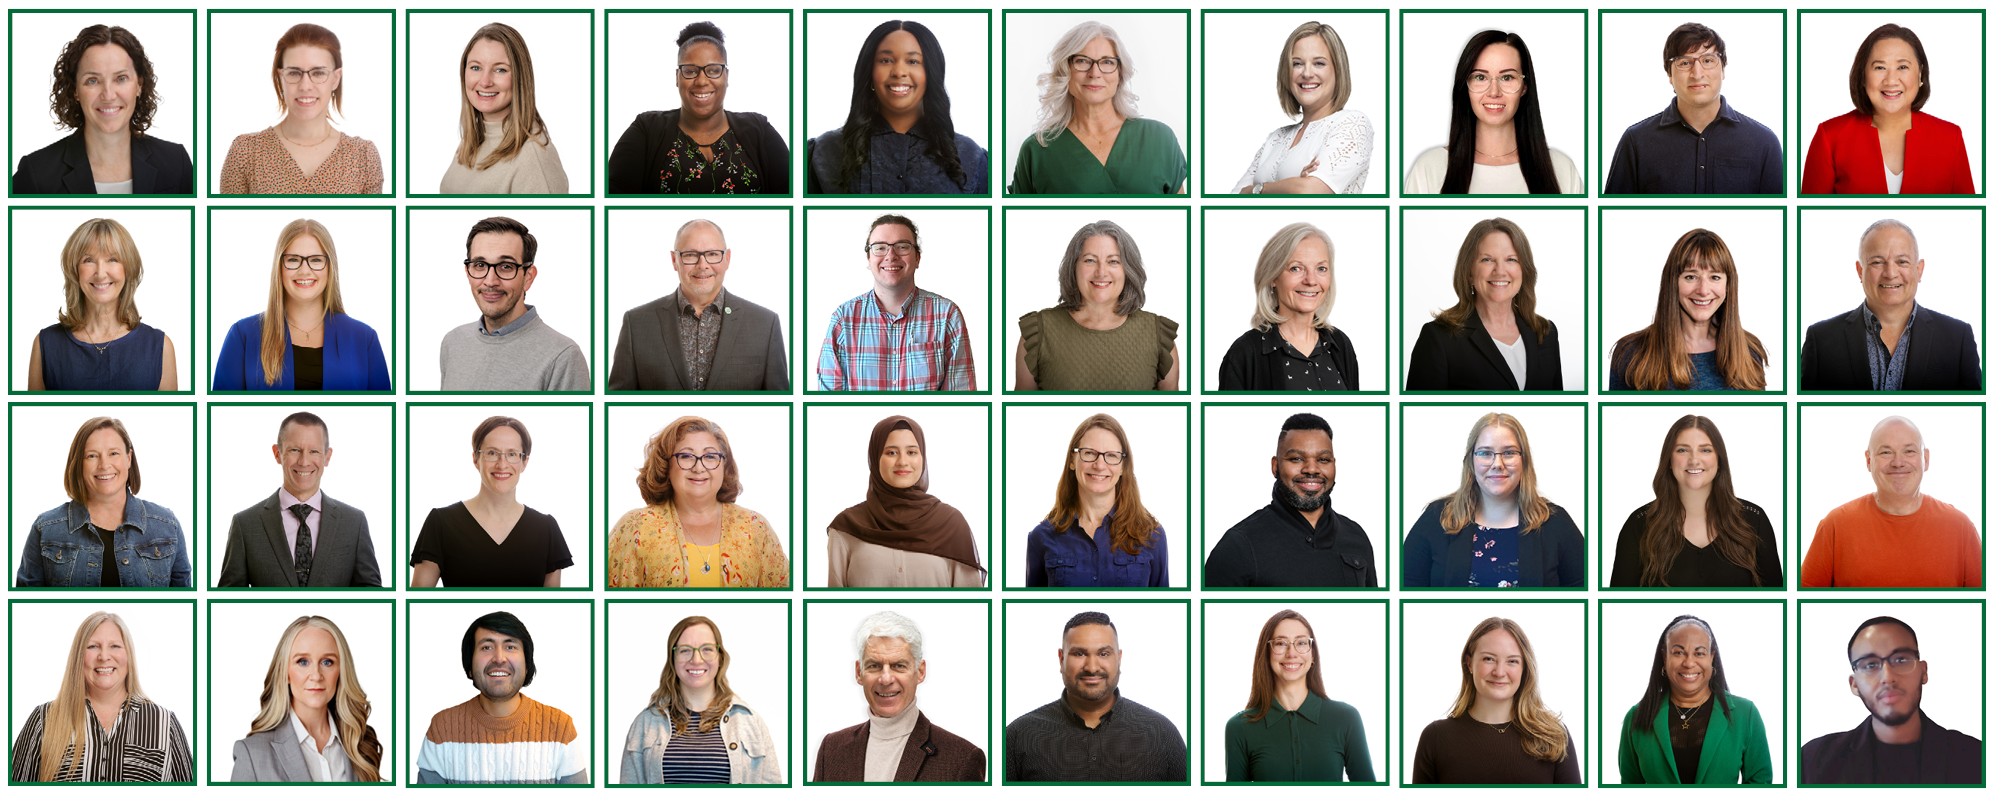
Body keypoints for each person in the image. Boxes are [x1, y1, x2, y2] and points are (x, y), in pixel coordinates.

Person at [1403, 413, 1584, 588]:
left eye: (1508, 453)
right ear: (1471, 461)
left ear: (1524, 460)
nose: (1498, 464)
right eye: (1485, 453)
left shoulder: (1556, 522)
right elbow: (1404, 588)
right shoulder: (1437, 518)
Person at [608, 22, 790, 195]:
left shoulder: (760, 129)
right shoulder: (646, 130)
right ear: (678, 77)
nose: (702, 81)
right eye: (690, 70)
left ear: (726, 76)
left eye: (713, 70)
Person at [1800, 415, 1982, 588]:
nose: (1898, 462)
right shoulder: (1835, 525)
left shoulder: (1961, 527)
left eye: (1909, 451)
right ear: (1869, 460)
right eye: (1886, 452)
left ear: (1925, 459)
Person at [1003, 611, 1187, 782]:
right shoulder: (1017, 737)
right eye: (1079, 653)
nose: (1092, 667)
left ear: (1119, 659)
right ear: (1061, 659)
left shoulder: (1162, 734)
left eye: (1104, 653)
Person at [808, 20, 988, 194]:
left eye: (913, 61)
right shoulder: (823, 152)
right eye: (885, 60)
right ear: (869, 72)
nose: (899, 72)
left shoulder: (971, 156)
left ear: (930, 74)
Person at [607, 218, 788, 392]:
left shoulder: (765, 324)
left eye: (712, 254)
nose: (703, 265)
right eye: (691, 255)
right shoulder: (636, 324)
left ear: (727, 259)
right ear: (674, 260)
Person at [8, 612, 192, 782]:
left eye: (115, 646)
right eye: (93, 646)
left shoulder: (165, 723)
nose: (104, 656)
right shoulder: (44, 719)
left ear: (128, 655)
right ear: (79, 656)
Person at [608, 416, 790, 588]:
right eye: (686, 456)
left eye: (710, 456)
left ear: (724, 466)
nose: (699, 467)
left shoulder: (756, 528)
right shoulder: (634, 527)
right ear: (666, 465)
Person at [1799, 219, 1980, 391]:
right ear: (1860, 271)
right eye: (1877, 262)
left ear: (1919, 269)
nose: (1890, 273)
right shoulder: (1821, 339)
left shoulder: (1958, 338)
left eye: (1902, 261)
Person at [212, 218, 391, 391]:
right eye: (293, 260)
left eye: (316, 260)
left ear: (330, 267)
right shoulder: (242, 336)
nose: (304, 270)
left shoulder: (365, 338)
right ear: (279, 267)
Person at [1009, 21, 1187, 194]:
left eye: (1107, 62)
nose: (1094, 73)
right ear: (1066, 70)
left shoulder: (1160, 140)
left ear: (1120, 73)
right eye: (1082, 61)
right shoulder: (1037, 151)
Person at [12, 24, 193, 194]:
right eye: (93, 80)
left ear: (139, 85)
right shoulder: (36, 173)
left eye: (121, 78)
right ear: (75, 90)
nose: (108, 95)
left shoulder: (177, 163)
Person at [1604, 23, 1783, 194]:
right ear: (1669, 74)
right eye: (1684, 63)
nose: (1697, 74)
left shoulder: (1764, 143)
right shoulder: (1636, 141)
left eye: (1707, 60)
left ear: (1723, 70)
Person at [1800, 616, 1982, 783]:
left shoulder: (1977, 758)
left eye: (1901, 660)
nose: (1888, 676)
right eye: (1870, 665)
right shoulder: (1812, 761)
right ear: (1854, 685)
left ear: (1923, 672)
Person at [1609, 415, 1783, 588]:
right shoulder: (1639, 525)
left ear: (1719, 460)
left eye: (1705, 450)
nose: (1694, 460)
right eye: (1682, 450)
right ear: (1669, 460)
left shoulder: (1754, 520)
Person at [1205, 413, 1376, 587]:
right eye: (1297, 459)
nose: (1311, 469)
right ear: (1275, 466)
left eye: (1323, 459)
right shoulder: (1238, 546)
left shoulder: (1357, 537)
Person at [812, 611, 986, 781]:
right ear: (859, 672)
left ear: (920, 671)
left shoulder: (962, 759)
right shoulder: (831, 750)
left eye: (899, 666)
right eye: (874, 666)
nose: (886, 679)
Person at [16, 417, 189, 587]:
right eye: (91, 456)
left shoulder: (167, 525)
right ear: (79, 463)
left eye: (113, 453)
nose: (104, 465)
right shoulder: (45, 529)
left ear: (128, 458)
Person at [416, 612, 587, 784]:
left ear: (527, 664)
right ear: (469, 665)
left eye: (510, 647)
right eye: (486, 647)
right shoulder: (442, 728)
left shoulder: (561, 728)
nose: (499, 658)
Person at [1801, 25, 1974, 195]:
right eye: (1880, 67)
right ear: (1863, 76)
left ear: (1920, 74)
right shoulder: (1829, 137)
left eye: (1903, 67)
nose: (1891, 81)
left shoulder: (1951, 138)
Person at [217, 412, 382, 588]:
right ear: (277, 454)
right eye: (294, 450)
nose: (304, 461)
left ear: (327, 456)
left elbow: (372, 591)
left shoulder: (354, 522)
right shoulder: (245, 525)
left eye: (314, 451)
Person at [815, 214, 977, 391]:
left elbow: (960, 399)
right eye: (880, 247)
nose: (891, 255)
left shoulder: (947, 315)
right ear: (869, 259)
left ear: (917, 258)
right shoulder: (843, 320)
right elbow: (828, 402)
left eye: (902, 246)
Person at [1015, 220, 1181, 391]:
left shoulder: (1159, 336)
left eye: (1113, 261)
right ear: (1074, 267)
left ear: (1128, 270)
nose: (1101, 272)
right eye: (1089, 260)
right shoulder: (1037, 333)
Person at [1406, 31, 1580, 194]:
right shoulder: (1429, 169)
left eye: (1507, 77)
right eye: (1480, 77)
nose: (1494, 92)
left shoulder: (1562, 169)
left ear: (1524, 87)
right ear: (1465, 86)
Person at [410, 416, 575, 588]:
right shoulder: (441, 522)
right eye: (492, 453)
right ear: (475, 459)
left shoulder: (547, 528)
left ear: (525, 462)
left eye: (512, 454)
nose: (502, 464)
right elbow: (417, 597)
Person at [1411, 617, 1581, 783]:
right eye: (1489, 659)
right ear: (1469, 663)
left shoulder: (1554, 736)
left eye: (1512, 661)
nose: (1499, 672)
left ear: (1524, 668)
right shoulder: (1435, 738)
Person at [219, 24, 383, 194]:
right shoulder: (245, 152)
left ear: (335, 79)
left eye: (318, 73)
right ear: (280, 77)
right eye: (294, 73)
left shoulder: (363, 156)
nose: (305, 86)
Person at [618, 616, 783, 784]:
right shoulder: (644, 724)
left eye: (707, 649)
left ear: (720, 658)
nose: (696, 660)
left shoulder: (751, 722)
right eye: (685, 650)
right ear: (672, 659)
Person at [1406, 218, 1564, 391]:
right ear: (1469, 273)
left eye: (1511, 259)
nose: (1500, 271)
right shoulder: (1439, 339)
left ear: (1524, 271)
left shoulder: (1546, 332)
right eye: (1487, 260)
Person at [439, 216, 592, 391]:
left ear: (528, 277)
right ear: (468, 272)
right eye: (480, 265)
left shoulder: (563, 357)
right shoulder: (452, 342)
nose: (490, 281)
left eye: (505, 266)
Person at [828, 416, 983, 587]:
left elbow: (972, 603)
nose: (902, 462)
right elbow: (834, 605)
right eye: (891, 452)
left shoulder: (951, 524)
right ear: (875, 456)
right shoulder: (846, 527)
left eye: (911, 452)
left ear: (922, 457)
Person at [1615, 616, 1772, 784]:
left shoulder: (1745, 715)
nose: (1689, 663)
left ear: (1711, 658)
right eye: (1678, 652)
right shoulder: (1636, 717)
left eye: (1699, 653)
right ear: (1665, 656)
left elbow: (1760, 785)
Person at [27, 218, 177, 391]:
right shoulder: (45, 344)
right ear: (74, 270)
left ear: (128, 268)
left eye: (112, 259)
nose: (100, 274)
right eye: (88, 260)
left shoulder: (160, 346)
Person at [1223, 609, 1373, 782]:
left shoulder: (1346, 718)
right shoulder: (1239, 728)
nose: (1292, 653)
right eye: (1281, 643)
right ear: (1266, 653)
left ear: (1313, 654)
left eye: (1301, 643)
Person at [229, 616, 384, 782]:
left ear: (341, 671)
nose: (316, 675)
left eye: (327, 662)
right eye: (303, 662)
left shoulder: (362, 743)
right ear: (285, 673)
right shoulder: (252, 753)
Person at [1609, 228, 1767, 391]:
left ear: (1728, 285)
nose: (1703, 290)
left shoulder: (1750, 351)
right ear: (1672, 283)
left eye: (1715, 277)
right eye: (1690, 277)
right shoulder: (1630, 353)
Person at [1025, 413, 1168, 587]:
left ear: (1123, 466)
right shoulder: (1041, 537)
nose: (1100, 465)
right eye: (1089, 453)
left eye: (1112, 455)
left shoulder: (1152, 536)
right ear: (1072, 460)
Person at [1233, 22, 1373, 195]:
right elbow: (1234, 197)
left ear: (1338, 71)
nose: (1307, 73)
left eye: (1319, 63)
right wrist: (1293, 184)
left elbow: (1313, 192)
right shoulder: (1276, 138)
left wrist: (1258, 189)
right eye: (1297, 63)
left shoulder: (1352, 124)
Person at [1217, 222, 1358, 391]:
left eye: (1321, 268)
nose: (1311, 280)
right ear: (1272, 277)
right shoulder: (1245, 353)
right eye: (1296, 268)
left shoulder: (1341, 344)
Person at [439, 22, 569, 194]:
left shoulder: (533, 158)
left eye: (500, 70)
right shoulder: (472, 141)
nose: (485, 81)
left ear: (520, 77)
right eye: (476, 67)